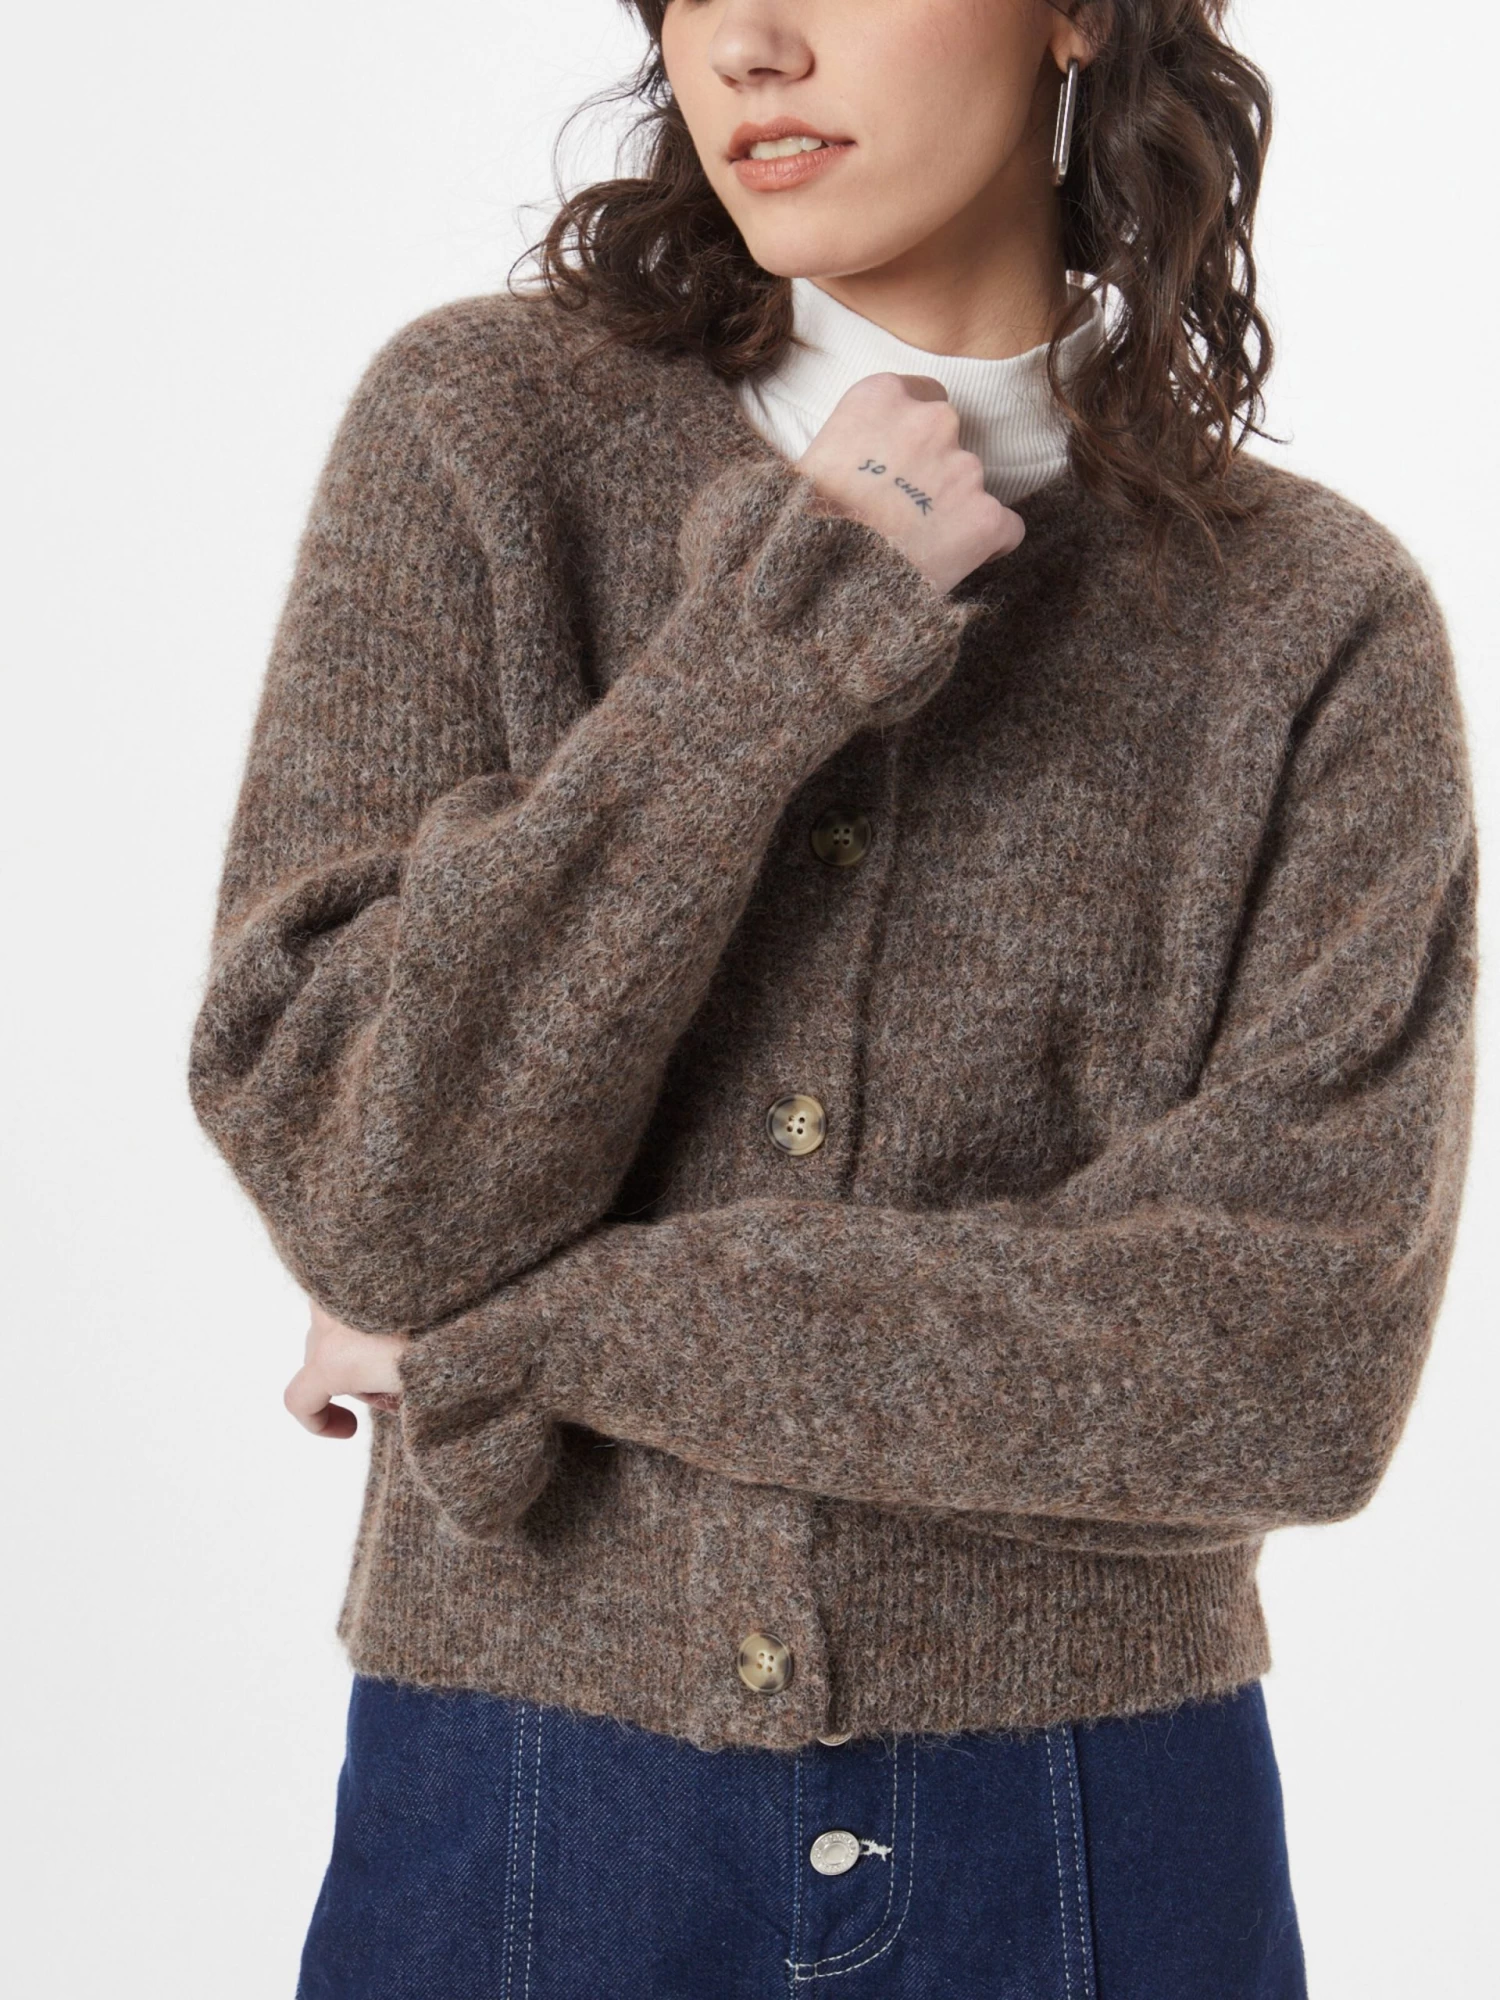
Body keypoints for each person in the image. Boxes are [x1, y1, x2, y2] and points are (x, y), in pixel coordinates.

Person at [187, 1, 1478, 1994]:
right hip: (525, 1809)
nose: (754, 45)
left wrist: (538, 1330)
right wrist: (788, 638)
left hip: (1097, 1833)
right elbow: (373, 1186)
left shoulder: (1314, 620)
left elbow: (1286, 1372)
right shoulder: (483, 438)